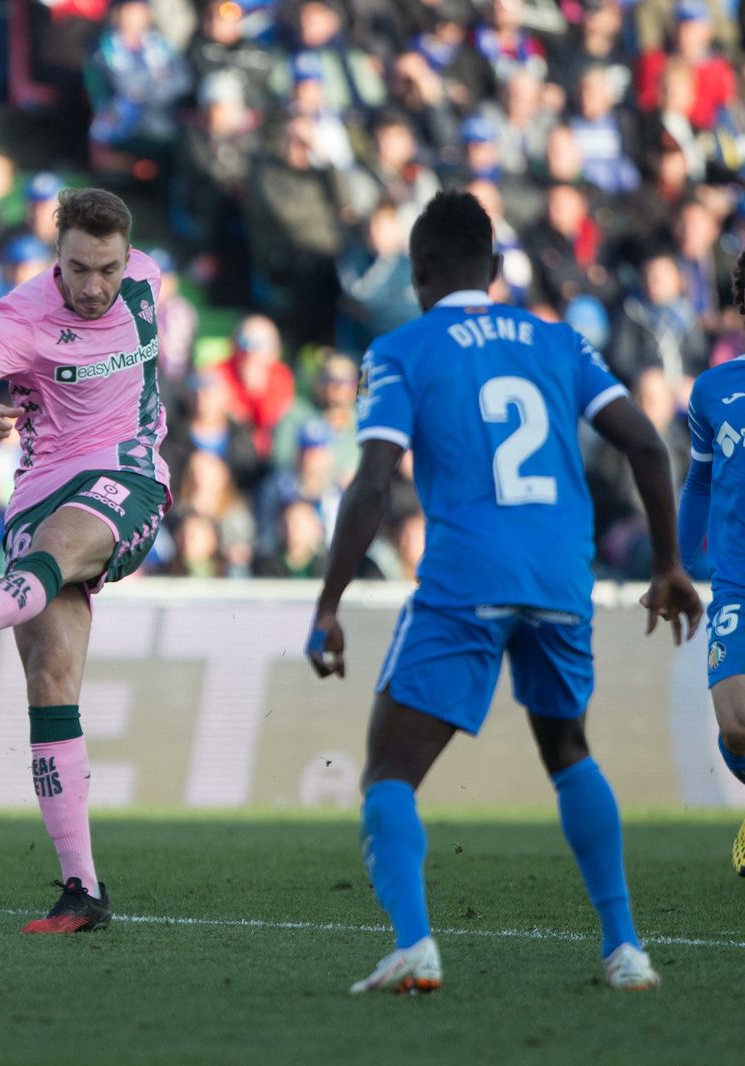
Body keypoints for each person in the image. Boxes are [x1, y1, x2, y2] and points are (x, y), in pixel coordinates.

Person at [305, 190, 701, 994]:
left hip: (467, 577)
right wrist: (668, 563)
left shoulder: (400, 350)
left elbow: (374, 482)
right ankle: (626, 949)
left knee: (389, 774)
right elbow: (647, 446)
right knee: (569, 753)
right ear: (492, 267)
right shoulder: (560, 341)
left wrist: (329, 603)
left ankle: (415, 945)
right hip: (561, 576)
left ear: (419, 271)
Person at [0, 188, 170, 933]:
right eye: (79, 269)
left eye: (107, 269)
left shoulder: (149, 279)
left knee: (55, 552)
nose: (95, 286)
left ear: (128, 257)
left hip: (127, 475)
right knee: (50, 681)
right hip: (39, 488)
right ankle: (82, 890)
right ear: (57, 255)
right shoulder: (21, 318)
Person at [678, 251, 745, 875]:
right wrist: (674, 566)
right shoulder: (714, 390)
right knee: (737, 727)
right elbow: (699, 483)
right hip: (737, 584)